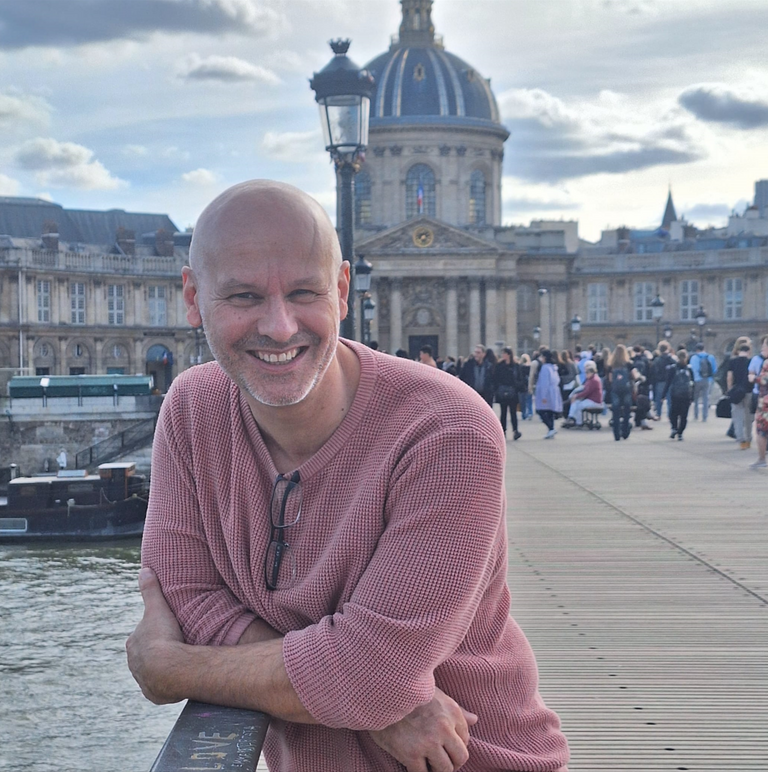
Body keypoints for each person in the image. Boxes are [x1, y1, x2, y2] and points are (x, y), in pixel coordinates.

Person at [124, 180, 569, 772]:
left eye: (304, 292)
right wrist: (373, 698)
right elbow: (188, 596)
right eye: (243, 296)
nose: (280, 327)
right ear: (192, 297)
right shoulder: (191, 409)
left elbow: (371, 671)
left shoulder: (451, 431)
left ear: (341, 290)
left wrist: (172, 667)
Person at [661, 349, 694, 440]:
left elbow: (668, 382)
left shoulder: (673, 368)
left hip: (675, 394)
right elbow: (693, 383)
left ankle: (674, 428)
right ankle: (680, 433)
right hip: (686, 395)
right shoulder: (689, 369)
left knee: (673, 413)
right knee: (684, 415)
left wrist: (663, 395)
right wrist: (692, 396)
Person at [727, 342, 753, 449]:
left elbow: (729, 377)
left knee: (737, 416)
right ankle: (748, 439)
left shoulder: (732, 361)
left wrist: (730, 390)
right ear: (748, 351)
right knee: (748, 417)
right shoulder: (751, 361)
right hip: (748, 391)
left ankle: (740, 439)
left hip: (736, 391)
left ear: (738, 351)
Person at [608, 344, 636, 441]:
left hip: (615, 390)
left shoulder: (612, 365)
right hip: (626, 389)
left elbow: (610, 379)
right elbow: (634, 376)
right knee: (627, 411)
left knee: (616, 412)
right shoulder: (628, 364)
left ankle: (616, 434)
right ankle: (625, 431)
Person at [493, 346, 523, 440]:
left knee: (513, 412)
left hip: (512, 391)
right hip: (502, 391)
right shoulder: (499, 366)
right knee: (503, 413)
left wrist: (516, 386)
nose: (503, 355)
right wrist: (498, 389)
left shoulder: (515, 366)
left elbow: (520, 378)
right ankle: (503, 431)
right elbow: (495, 378)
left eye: (504, 353)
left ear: (509, 354)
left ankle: (515, 431)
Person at [565, 360, 603, 427]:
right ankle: (571, 417)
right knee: (576, 402)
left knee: (579, 406)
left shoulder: (594, 380)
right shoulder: (591, 379)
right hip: (590, 399)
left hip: (594, 401)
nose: (586, 374)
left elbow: (586, 392)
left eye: (587, 373)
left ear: (592, 373)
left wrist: (576, 396)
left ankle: (578, 422)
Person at [750, 335, 768, 469]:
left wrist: (753, 378)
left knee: (761, 430)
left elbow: (764, 380)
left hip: (765, 403)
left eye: (765, 345)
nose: (762, 348)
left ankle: (762, 459)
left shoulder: (767, 363)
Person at [535, 349, 562, 439]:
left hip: (547, 392)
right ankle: (551, 429)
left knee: (541, 411)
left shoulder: (545, 368)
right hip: (553, 391)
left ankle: (551, 428)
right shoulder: (553, 367)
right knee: (550, 412)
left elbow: (544, 383)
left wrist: (543, 396)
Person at [689, 343, 717, 421]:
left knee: (696, 398)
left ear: (696, 349)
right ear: (704, 348)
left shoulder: (694, 358)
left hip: (697, 380)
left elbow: (692, 369)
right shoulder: (710, 357)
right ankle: (705, 416)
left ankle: (696, 415)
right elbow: (714, 369)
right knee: (706, 397)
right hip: (707, 379)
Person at [651, 341, 675, 419]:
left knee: (659, 399)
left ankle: (658, 414)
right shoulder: (671, 360)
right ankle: (670, 415)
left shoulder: (657, 360)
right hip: (670, 381)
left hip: (660, 381)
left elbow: (653, 372)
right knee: (670, 399)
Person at [519, 353, 533, 419]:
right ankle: (530, 412)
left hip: (522, 387)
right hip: (529, 385)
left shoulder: (520, 367)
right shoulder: (530, 367)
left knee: (523, 402)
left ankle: (524, 414)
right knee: (529, 401)